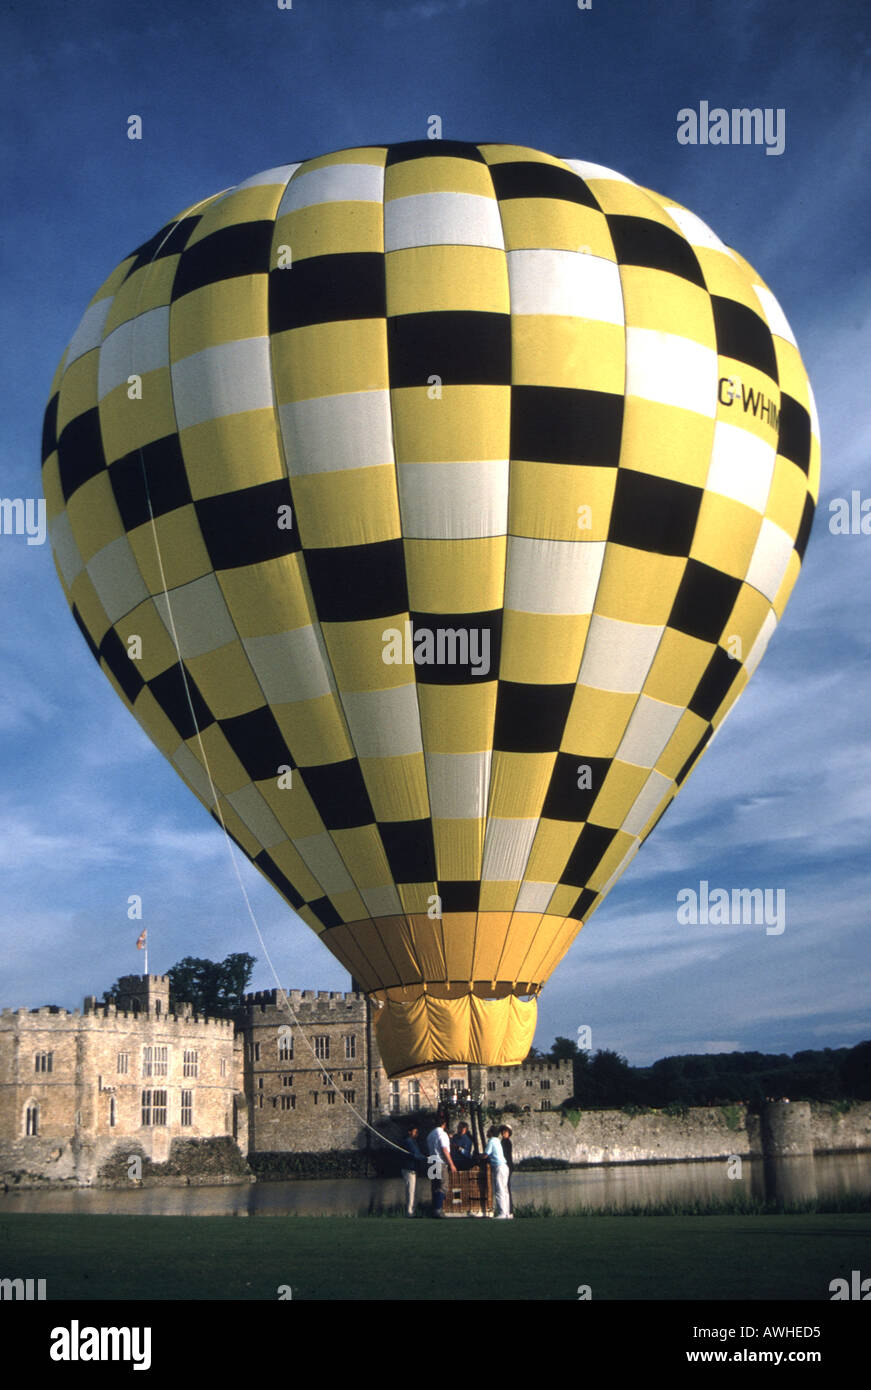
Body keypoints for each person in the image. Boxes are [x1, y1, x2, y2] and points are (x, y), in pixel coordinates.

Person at [426, 1116, 456, 1217]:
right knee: (443, 1186)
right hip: (440, 1162)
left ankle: (434, 1209)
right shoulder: (442, 1134)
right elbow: (444, 1150)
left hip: (431, 1161)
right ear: (444, 1124)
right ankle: (438, 1209)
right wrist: (451, 1164)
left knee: (434, 1186)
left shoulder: (430, 1135)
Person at [484, 1125, 511, 1218]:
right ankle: (507, 1212)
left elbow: (486, 1154)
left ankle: (502, 1213)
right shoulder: (498, 1141)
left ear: (491, 1133)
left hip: (498, 1167)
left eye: (488, 1131)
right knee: (505, 1190)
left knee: (499, 1190)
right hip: (505, 1166)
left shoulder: (491, 1141)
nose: (487, 1133)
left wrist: (479, 1156)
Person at [400, 1123, 426, 1217]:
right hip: (408, 1169)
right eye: (415, 1132)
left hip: (413, 1169)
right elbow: (415, 1154)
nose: (417, 1133)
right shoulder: (409, 1141)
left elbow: (418, 1153)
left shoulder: (413, 1141)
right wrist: (426, 1159)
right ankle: (410, 1212)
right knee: (410, 1191)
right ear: (410, 1132)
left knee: (413, 1191)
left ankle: (412, 1211)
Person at [500, 1124, 515, 1213]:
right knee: (505, 1187)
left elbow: (505, 1155)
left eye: (505, 1131)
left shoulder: (506, 1142)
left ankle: (509, 1209)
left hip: (507, 1166)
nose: (503, 1133)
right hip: (507, 1165)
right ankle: (508, 1209)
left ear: (509, 1133)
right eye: (503, 1131)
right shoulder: (503, 1141)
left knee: (506, 1187)